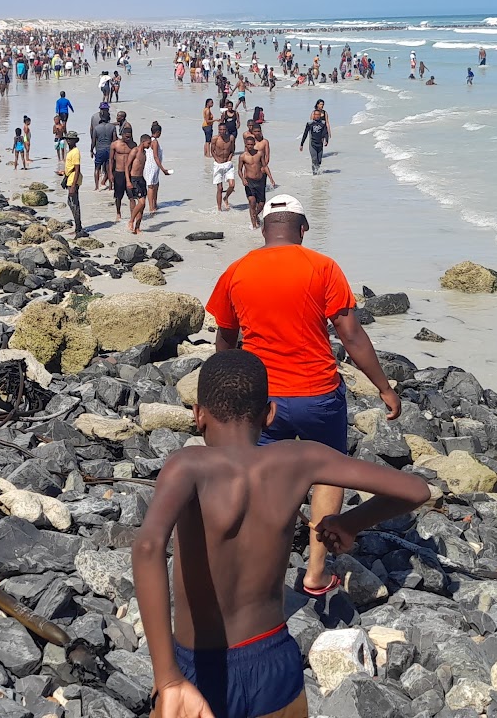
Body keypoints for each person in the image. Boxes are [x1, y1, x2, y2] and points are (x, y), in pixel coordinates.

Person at [131, 349, 428, 718]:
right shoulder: (298, 460)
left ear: (198, 414)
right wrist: (351, 522)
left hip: (199, 667)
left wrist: (168, 677)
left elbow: (147, 546)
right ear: (270, 414)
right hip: (273, 657)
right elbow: (416, 490)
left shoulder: (188, 466)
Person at [206, 196, 404, 598]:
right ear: (303, 229)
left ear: (263, 230)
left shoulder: (237, 271)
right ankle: (315, 572)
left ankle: (257, 566)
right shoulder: (323, 267)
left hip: (263, 400)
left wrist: (222, 392)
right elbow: (351, 335)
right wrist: (384, 387)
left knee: (263, 476)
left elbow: (225, 338)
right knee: (327, 472)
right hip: (318, 394)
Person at [237, 132, 275, 229]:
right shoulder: (243, 156)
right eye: (248, 144)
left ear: (254, 144)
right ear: (245, 144)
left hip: (260, 181)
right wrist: (242, 179)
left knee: (261, 204)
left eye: (251, 144)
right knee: (252, 202)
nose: (249, 146)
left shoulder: (259, 154)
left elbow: (264, 166)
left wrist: (271, 178)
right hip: (249, 182)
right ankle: (254, 225)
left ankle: (255, 215)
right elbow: (239, 170)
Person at [59, 131, 84, 236]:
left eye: (70, 139)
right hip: (69, 177)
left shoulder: (75, 152)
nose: (68, 141)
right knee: (71, 203)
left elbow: (77, 169)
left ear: (75, 140)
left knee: (74, 203)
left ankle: (78, 228)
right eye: (67, 139)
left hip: (73, 179)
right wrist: (64, 173)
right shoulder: (70, 152)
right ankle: (78, 227)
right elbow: (71, 166)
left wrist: (73, 185)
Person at [127, 133, 151, 234]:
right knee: (141, 202)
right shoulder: (135, 151)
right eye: (148, 143)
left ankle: (137, 228)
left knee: (142, 206)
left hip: (141, 179)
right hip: (134, 179)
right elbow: (126, 166)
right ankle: (131, 221)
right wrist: (128, 181)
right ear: (143, 141)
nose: (149, 145)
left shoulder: (144, 153)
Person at [211, 120, 237, 212]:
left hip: (228, 163)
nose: (222, 131)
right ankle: (219, 208)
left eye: (223, 129)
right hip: (218, 164)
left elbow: (233, 150)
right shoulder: (215, 139)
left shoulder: (231, 138)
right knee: (220, 188)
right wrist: (217, 160)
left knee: (232, 185)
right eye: (220, 130)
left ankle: (226, 197)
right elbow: (212, 151)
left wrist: (229, 159)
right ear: (218, 130)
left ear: (226, 129)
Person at [110, 123, 135, 220]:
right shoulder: (115, 144)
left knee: (132, 196)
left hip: (129, 173)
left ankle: (132, 215)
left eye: (130, 137)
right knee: (118, 196)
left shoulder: (133, 145)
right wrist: (110, 173)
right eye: (126, 136)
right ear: (122, 135)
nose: (128, 138)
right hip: (119, 172)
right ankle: (118, 212)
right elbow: (111, 160)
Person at [147, 120, 171, 216]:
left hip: (154, 166)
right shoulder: (155, 142)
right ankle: (151, 207)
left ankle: (154, 204)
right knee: (151, 186)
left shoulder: (150, 140)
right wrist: (163, 169)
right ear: (158, 133)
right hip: (153, 165)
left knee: (156, 185)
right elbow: (156, 156)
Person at [92, 103, 117, 191]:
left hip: (100, 149)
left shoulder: (96, 128)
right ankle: (110, 186)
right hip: (109, 150)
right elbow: (114, 140)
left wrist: (91, 150)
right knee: (109, 168)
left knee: (97, 168)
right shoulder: (112, 127)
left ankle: (96, 186)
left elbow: (93, 140)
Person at [300, 106, 328, 174]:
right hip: (313, 144)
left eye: (318, 115)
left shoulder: (323, 123)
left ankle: (317, 170)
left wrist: (326, 140)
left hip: (320, 144)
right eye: (316, 115)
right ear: (313, 115)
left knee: (319, 161)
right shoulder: (310, 124)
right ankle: (314, 174)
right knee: (314, 159)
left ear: (320, 115)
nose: (317, 116)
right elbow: (305, 134)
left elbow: (325, 132)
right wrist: (302, 144)